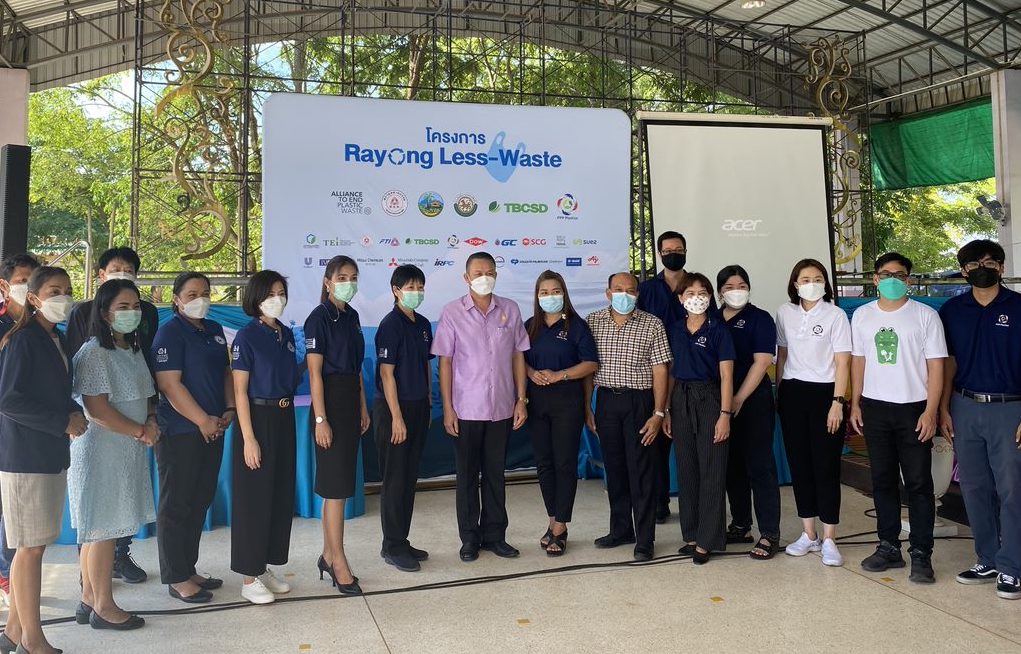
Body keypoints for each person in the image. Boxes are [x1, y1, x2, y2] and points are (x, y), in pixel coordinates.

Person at [0, 266, 85, 654]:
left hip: (49, 452)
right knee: (29, 549)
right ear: (33, 298)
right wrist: (61, 422)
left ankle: (14, 632)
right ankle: (32, 640)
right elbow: (9, 400)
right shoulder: (23, 340)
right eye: (54, 290)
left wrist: (72, 412)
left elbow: (54, 392)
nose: (62, 297)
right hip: (25, 456)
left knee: (33, 547)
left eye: (67, 289)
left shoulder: (57, 338)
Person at [849, 252, 945, 584]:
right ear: (875, 279)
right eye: (886, 274)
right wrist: (855, 404)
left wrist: (931, 411)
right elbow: (858, 361)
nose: (893, 279)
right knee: (883, 480)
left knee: (919, 483)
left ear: (909, 280)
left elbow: (936, 366)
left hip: (914, 409)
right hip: (875, 408)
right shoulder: (862, 315)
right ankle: (889, 546)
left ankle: (921, 553)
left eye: (900, 274)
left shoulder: (925, 316)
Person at [70, 279, 158, 631]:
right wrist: (140, 431)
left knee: (100, 530)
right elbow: (97, 411)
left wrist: (150, 421)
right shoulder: (93, 352)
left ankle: (89, 599)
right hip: (101, 451)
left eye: (135, 306)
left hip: (126, 449)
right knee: (101, 530)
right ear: (105, 313)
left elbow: (146, 396)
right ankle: (104, 606)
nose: (131, 313)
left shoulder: (132, 349)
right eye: (123, 307)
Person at [432, 252, 529, 562]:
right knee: (466, 476)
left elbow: (518, 355)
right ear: (466, 278)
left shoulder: (510, 309)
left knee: (495, 474)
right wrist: (448, 409)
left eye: (489, 272)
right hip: (465, 409)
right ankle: (469, 539)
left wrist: (521, 399)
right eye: (478, 273)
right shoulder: (452, 312)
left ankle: (495, 536)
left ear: (496, 275)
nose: (484, 277)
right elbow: (445, 363)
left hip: (501, 407)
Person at [939, 239, 1021, 599]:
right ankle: (987, 558)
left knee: (1012, 489)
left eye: (989, 262)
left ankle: (1012, 566)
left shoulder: (1018, 307)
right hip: (965, 406)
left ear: (1001, 267)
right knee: (974, 488)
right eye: (973, 264)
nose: (981, 269)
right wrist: (944, 408)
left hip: (1010, 408)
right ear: (963, 271)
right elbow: (948, 363)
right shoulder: (952, 310)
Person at [152, 272, 235, 603]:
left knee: (200, 499)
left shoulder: (213, 330)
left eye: (205, 293)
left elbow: (225, 373)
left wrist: (229, 408)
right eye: (191, 294)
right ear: (176, 299)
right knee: (177, 503)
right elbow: (169, 384)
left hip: (214, 428)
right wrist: (202, 420)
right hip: (180, 430)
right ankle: (176, 576)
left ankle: (189, 567)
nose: (200, 299)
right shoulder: (169, 333)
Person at [585, 272, 672, 561]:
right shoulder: (593, 321)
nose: (625, 294)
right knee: (615, 468)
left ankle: (645, 539)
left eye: (631, 290)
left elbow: (661, 370)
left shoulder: (652, 324)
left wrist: (658, 412)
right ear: (608, 293)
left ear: (638, 294)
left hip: (640, 402)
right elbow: (588, 368)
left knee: (641, 471)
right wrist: (587, 407)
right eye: (619, 289)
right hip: (606, 400)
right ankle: (621, 529)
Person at [776, 258, 851, 567]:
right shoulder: (785, 312)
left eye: (817, 278)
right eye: (805, 279)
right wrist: (780, 391)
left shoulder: (835, 315)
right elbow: (782, 354)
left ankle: (830, 537)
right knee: (800, 465)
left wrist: (838, 402)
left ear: (825, 283)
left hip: (826, 394)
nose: (811, 284)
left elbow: (843, 362)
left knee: (826, 466)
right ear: (795, 284)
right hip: (793, 393)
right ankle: (809, 533)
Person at [230, 270, 299, 605]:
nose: (277, 299)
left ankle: (265, 566)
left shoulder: (285, 333)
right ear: (256, 297)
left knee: (278, 495)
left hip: (284, 416)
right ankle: (248, 576)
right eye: (271, 293)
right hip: (258, 417)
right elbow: (239, 391)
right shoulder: (246, 337)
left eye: (281, 292)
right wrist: (249, 438)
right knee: (253, 499)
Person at [525, 271, 599, 556]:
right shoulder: (530, 326)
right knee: (544, 464)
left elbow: (590, 364)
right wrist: (531, 373)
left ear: (564, 293)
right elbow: (518, 359)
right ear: (537, 296)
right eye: (544, 292)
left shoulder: (577, 326)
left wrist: (560, 375)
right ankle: (552, 520)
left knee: (564, 463)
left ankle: (561, 526)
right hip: (537, 403)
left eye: (555, 291)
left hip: (567, 403)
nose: (550, 297)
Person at [305, 256, 367, 595]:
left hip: (349, 402)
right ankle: (338, 560)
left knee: (340, 486)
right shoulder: (318, 319)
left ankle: (328, 555)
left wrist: (362, 407)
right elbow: (315, 374)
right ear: (327, 281)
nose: (348, 283)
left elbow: (356, 370)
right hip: (328, 403)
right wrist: (321, 419)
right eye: (342, 277)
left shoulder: (352, 316)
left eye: (353, 277)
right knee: (334, 489)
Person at [664, 273, 734, 565]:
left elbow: (727, 375)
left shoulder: (718, 330)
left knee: (712, 470)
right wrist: (666, 409)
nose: (696, 298)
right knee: (687, 469)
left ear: (710, 297)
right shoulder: (674, 329)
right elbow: (670, 371)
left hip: (710, 399)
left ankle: (708, 540)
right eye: (690, 293)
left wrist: (725, 415)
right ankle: (691, 535)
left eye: (702, 292)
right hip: (680, 399)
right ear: (681, 298)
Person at [717, 265, 782, 560]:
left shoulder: (760, 318)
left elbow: (762, 361)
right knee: (732, 466)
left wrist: (739, 398)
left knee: (760, 466)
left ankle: (769, 532)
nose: (736, 291)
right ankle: (741, 524)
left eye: (742, 285)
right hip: (720, 404)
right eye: (729, 287)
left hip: (752, 401)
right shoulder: (711, 318)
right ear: (720, 292)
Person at [374, 265, 433, 572]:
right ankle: (392, 546)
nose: (416, 292)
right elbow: (387, 374)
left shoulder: (422, 324)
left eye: (420, 287)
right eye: (410, 287)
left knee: (409, 478)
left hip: (418, 406)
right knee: (395, 479)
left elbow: (425, 364)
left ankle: (402, 539)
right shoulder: (390, 325)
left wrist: (429, 402)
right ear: (396, 290)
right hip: (393, 410)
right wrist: (397, 417)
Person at [638, 231, 699, 524]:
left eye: (678, 249)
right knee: (657, 446)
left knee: (692, 447)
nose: (673, 253)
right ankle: (659, 504)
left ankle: (695, 506)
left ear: (686, 251)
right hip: (657, 375)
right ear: (660, 254)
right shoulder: (647, 289)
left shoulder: (697, 286)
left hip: (691, 375)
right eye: (668, 250)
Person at [0, 253, 41, 597]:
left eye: (34, 280)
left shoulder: (42, 327)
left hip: (29, 431)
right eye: (22, 280)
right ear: (4, 286)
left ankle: (10, 569)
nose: (28, 287)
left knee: (17, 508)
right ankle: (6, 572)